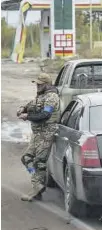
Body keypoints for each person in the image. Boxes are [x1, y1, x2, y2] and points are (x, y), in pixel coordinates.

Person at [18, 73, 60, 201]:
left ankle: (36, 189)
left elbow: (45, 115)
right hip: (37, 133)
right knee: (26, 158)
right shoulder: (41, 96)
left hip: (47, 132)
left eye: (40, 84)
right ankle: (38, 185)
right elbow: (31, 106)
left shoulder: (52, 97)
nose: (37, 86)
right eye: (36, 84)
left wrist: (27, 117)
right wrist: (23, 109)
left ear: (47, 84)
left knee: (39, 162)